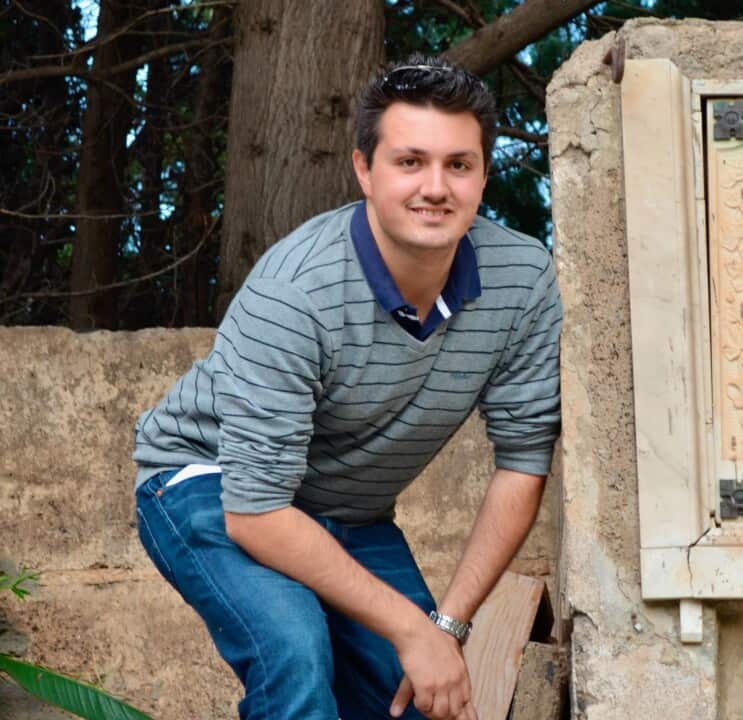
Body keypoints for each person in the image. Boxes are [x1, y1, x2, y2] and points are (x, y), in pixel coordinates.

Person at [131, 55, 561, 720]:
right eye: (410, 162)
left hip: (345, 512)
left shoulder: (524, 280)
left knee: (419, 697)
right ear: (364, 169)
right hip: (213, 485)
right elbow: (256, 513)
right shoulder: (294, 292)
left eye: (459, 164)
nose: (435, 187)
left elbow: (522, 463)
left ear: (483, 175)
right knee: (296, 657)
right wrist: (412, 628)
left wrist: (444, 628)